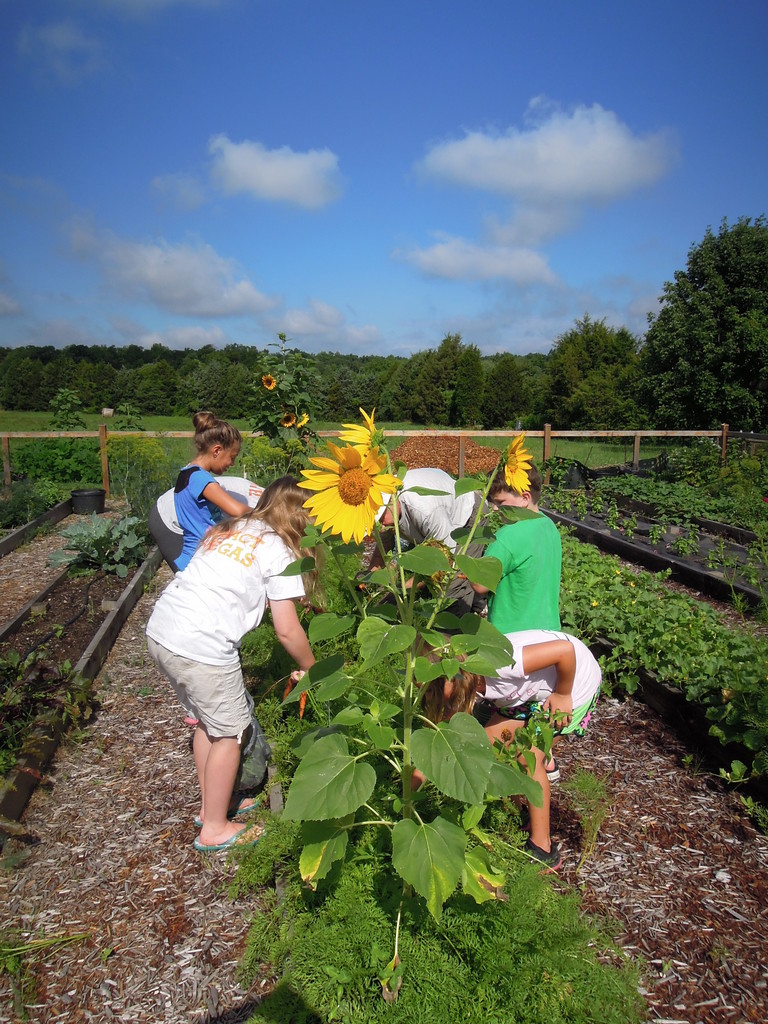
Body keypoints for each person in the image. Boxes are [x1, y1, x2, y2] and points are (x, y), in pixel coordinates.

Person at [146, 476, 316, 853]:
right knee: (231, 733)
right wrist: (313, 665)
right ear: (297, 516)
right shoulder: (279, 550)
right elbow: (287, 630)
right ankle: (215, 829)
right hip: (202, 647)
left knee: (209, 722)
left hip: (163, 631)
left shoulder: (233, 527)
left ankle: (212, 807)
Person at [421, 629, 601, 870]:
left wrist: (562, 693)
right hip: (531, 693)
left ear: (451, 676)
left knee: (528, 760)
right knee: (490, 746)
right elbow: (443, 735)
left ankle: (543, 849)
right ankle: (516, 814)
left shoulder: (503, 665)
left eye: (431, 689)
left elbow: (565, 651)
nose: (428, 696)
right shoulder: (463, 682)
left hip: (572, 684)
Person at [372, 467, 489, 617]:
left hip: (468, 517)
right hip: (437, 524)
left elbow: (444, 562)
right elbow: (384, 545)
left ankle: (458, 629)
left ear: (392, 501)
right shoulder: (383, 498)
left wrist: (404, 589)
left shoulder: (425, 509)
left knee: (451, 590)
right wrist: (370, 579)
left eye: (381, 520)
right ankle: (476, 602)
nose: (380, 527)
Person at [471, 463, 562, 634]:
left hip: (515, 635)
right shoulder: (548, 525)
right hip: (549, 632)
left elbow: (480, 584)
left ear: (524, 498)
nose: (495, 508)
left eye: (500, 502)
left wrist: (465, 564)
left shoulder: (508, 535)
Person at [173, 411, 252, 572]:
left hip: (194, 555)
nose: (232, 463)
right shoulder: (200, 479)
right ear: (217, 451)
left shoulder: (187, 472)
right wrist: (264, 512)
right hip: (200, 559)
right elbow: (237, 510)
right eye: (232, 457)